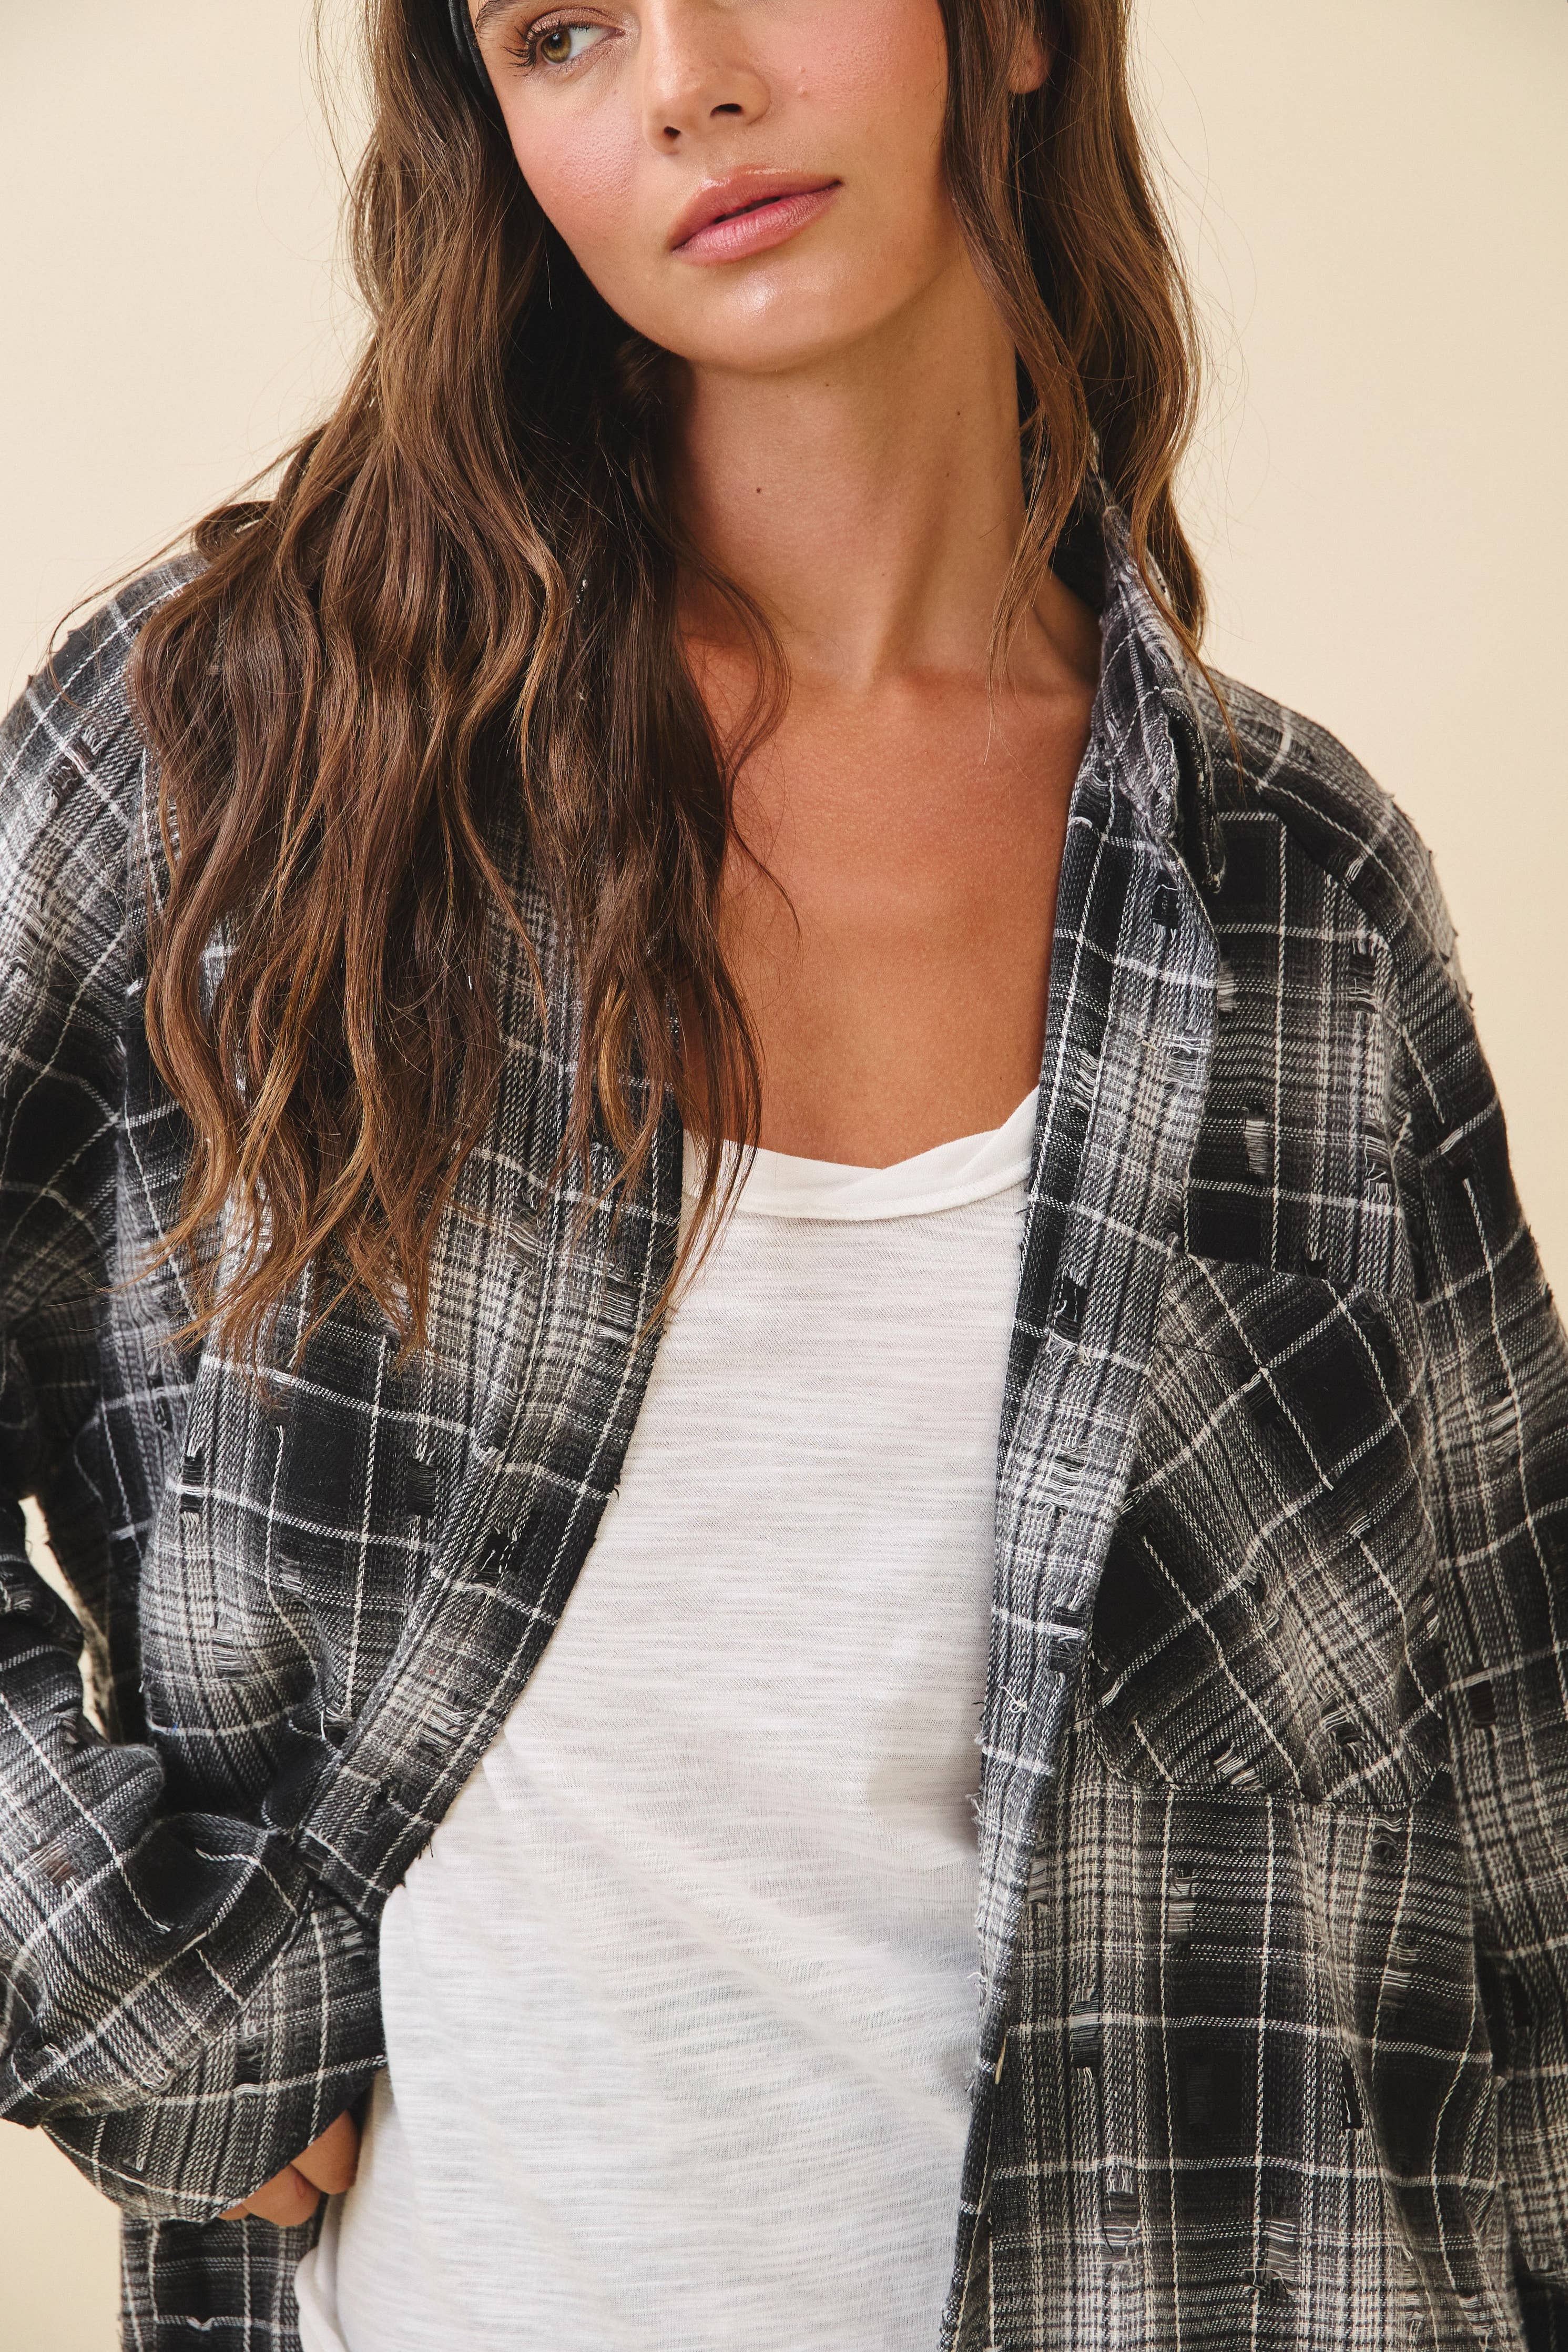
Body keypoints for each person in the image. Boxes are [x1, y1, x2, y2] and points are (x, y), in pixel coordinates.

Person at [3, 0, 1566, 2345]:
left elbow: (1516, 1804)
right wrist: (113, 1974)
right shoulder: (236, 759)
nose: (687, 82)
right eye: (561, 31)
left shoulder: (1293, 890)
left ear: (1010, 27)